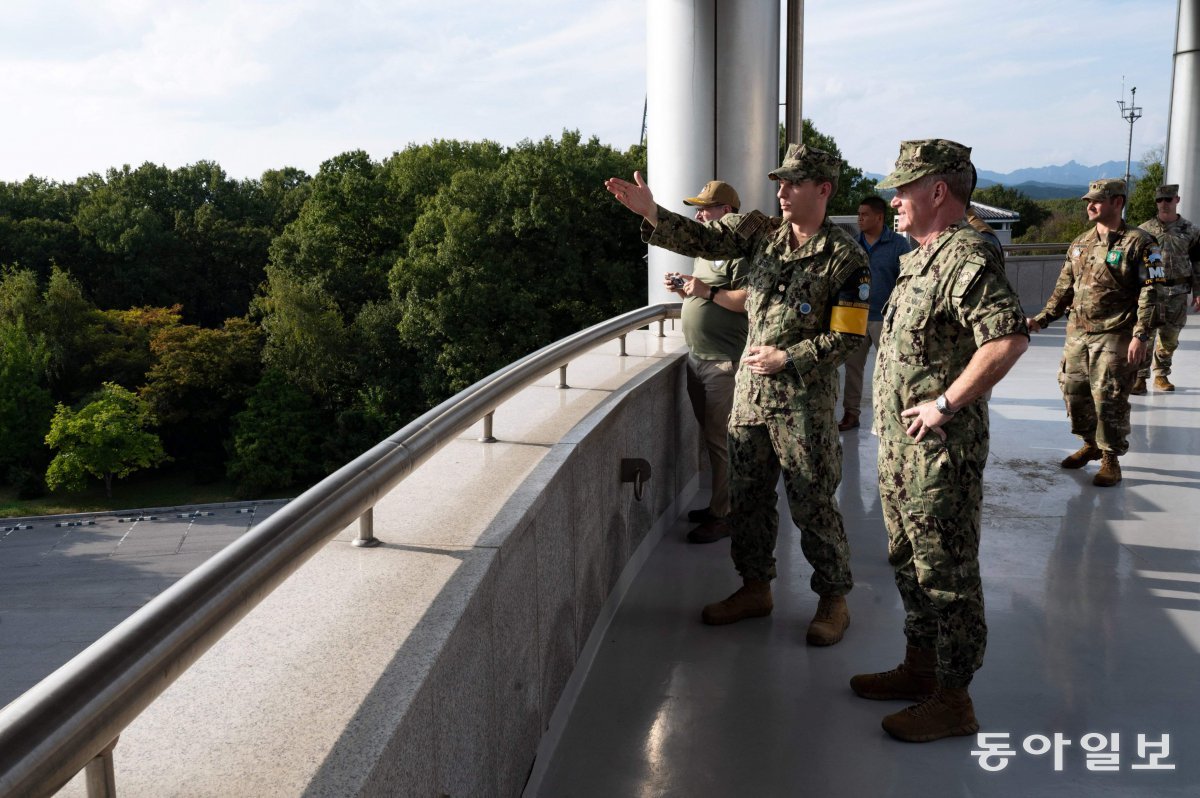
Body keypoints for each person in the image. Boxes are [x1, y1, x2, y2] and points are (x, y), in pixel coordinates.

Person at [605, 144, 870, 647]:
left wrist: (790, 358)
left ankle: (833, 599)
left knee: (813, 504)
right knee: (747, 501)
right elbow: (704, 237)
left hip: (802, 405)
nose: (782, 191)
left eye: (793, 183)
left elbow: (850, 337)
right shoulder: (762, 236)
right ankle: (755, 588)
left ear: (823, 189)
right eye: (780, 182)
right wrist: (651, 212)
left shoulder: (845, 258)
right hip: (750, 399)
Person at [849, 139, 1028, 742]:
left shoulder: (967, 255)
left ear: (937, 191)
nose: (893, 199)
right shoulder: (922, 255)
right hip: (905, 454)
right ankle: (920, 670)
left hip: (939, 456)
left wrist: (946, 403)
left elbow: (1006, 339)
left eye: (903, 188)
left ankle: (955, 700)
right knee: (909, 562)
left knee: (945, 572)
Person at [1027, 179, 1165, 487]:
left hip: (1117, 331)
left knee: (1109, 397)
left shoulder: (1141, 243)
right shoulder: (1080, 243)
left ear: (1118, 202)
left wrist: (1141, 335)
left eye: (1098, 200)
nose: (1090, 205)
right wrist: (1041, 319)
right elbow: (1063, 289)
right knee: (1073, 390)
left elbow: (1150, 291)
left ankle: (1110, 459)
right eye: (1088, 200)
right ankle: (1089, 443)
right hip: (1079, 331)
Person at [665, 180, 750, 544]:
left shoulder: (741, 252)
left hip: (723, 363)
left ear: (726, 212)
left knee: (721, 442)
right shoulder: (704, 250)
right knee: (713, 438)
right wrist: (686, 286)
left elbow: (746, 300)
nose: (698, 215)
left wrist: (705, 291)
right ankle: (720, 505)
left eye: (705, 209)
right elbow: (704, 288)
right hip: (699, 357)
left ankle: (725, 515)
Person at [838, 195, 912, 431]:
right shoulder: (852, 243)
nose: (860, 219)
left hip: (885, 317)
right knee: (852, 368)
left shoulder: (899, 245)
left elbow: (907, 282)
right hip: (854, 316)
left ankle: (894, 415)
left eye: (865, 214)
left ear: (879, 217)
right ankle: (851, 413)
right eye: (858, 214)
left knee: (892, 368)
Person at [1132, 183, 1200, 394]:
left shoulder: (1191, 230)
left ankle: (1161, 374)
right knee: (1146, 334)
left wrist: (1198, 292)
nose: (1163, 204)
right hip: (1152, 291)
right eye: (1160, 200)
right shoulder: (1143, 230)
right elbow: (1135, 264)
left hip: (1178, 291)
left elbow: (1198, 263)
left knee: (1170, 337)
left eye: (1168, 200)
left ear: (1176, 200)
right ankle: (1140, 377)